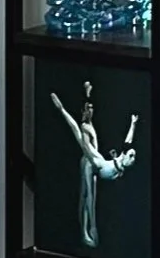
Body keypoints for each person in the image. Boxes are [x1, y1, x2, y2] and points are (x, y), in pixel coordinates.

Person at [51, 83, 138, 248]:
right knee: (88, 198)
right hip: (94, 163)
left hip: (98, 162)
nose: (132, 159)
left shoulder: (120, 166)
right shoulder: (120, 157)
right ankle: (88, 230)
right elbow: (128, 140)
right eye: (131, 155)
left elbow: (128, 141)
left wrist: (133, 124)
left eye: (133, 157)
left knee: (83, 134)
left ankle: (80, 98)